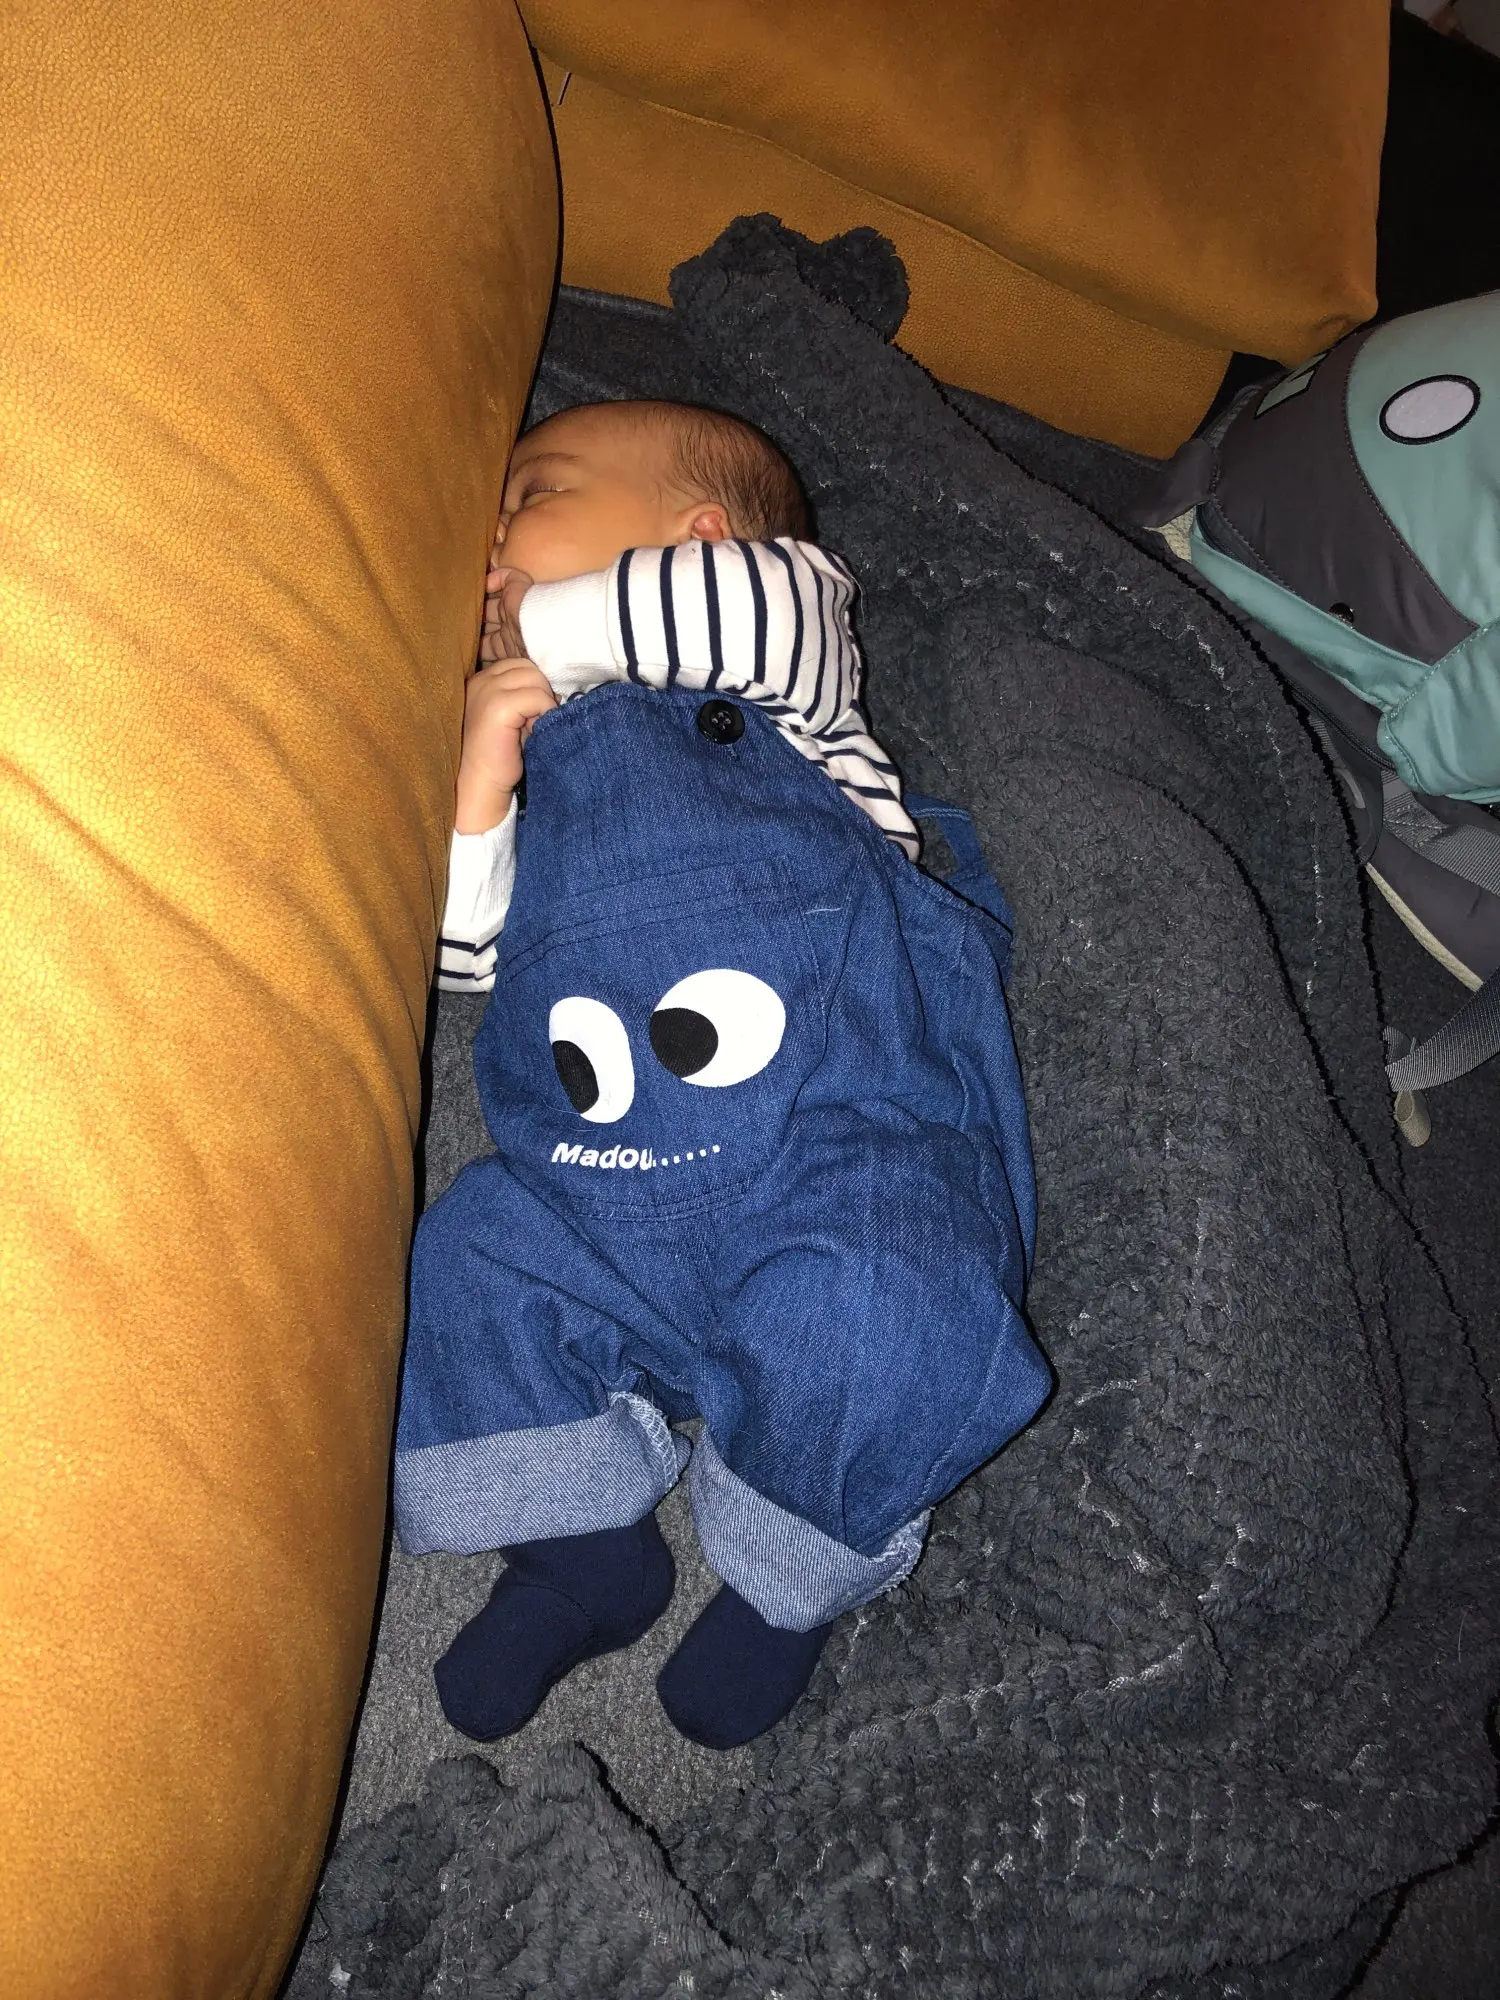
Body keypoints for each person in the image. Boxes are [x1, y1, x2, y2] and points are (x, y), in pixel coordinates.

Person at [396, 399, 1048, 1749]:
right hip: (595, 1179)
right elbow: (465, 956)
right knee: (463, 1259)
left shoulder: (779, 663)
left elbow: (730, 609)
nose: (490, 545)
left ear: (698, 536)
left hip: (834, 1146)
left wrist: (533, 640)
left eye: (534, 496)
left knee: (898, 1307)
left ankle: (784, 1579)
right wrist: (477, 793)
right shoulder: (541, 745)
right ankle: (580, 1548)